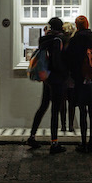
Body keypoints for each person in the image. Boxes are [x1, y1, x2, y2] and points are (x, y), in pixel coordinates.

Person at [26, 17, 69, 154]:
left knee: (43, 106)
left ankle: (32, 136)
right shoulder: (58, 40)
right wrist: (64, 72)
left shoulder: (44, 39)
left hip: (46, 78)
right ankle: (54, 143)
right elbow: (56, 61)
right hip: (56, 79)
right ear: (60, 27)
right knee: (55, 110)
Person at [64, 14, 92, 153]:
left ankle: (83, 142)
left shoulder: (75, 40)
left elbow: (69, 60)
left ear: (77, 26)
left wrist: (73, 77)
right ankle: (91, 143)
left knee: (82, 111)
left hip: (80, 81)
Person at [59, 21, 77, 133]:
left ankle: (63, 125)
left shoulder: (60, 42)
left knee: (62, 103)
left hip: (62, 76)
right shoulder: (74, 43)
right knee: (72, 102)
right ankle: (70, 125)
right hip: (72, 76)